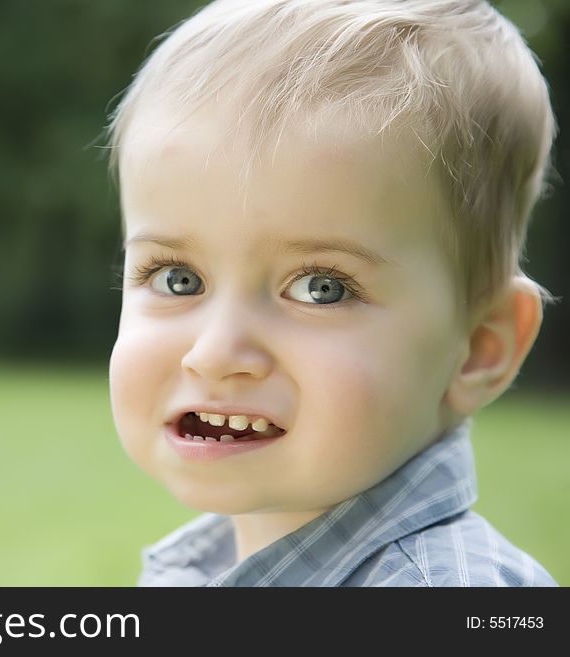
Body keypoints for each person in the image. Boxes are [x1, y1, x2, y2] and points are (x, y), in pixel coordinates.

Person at [105, 0, 558, 586]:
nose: (215, 353)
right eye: (177, 279)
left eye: (322, 289)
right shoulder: (199, 568)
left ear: (478, 347)